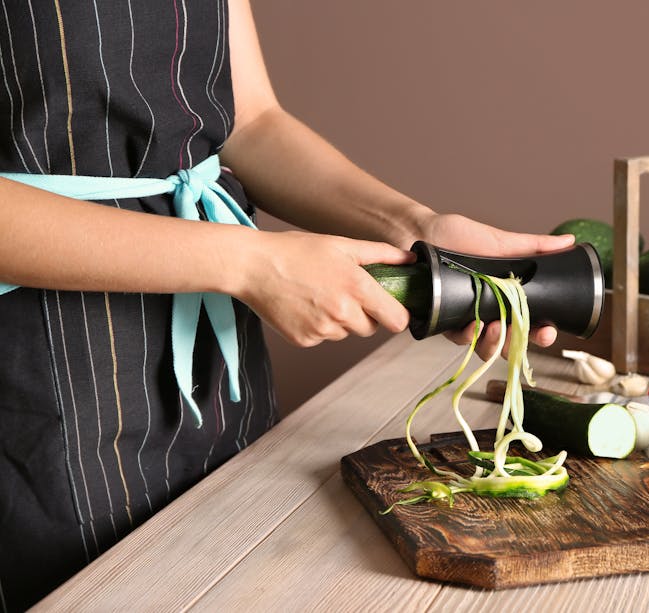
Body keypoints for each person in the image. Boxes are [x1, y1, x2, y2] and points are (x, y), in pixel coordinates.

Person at [0, 1, 573, 610]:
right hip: (43, 384)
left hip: (219, 371)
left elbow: (251, 123)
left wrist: (418, 227)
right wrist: (248, 263)